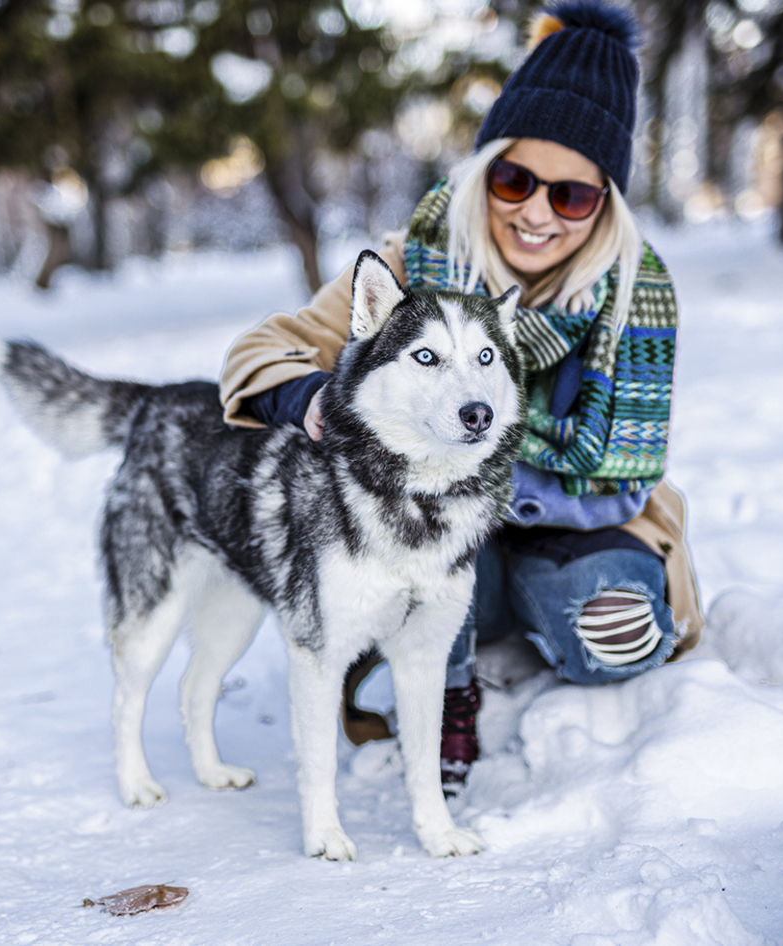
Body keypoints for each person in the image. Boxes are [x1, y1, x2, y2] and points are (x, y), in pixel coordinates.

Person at [217, 0, 703, 795]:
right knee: (435, 568)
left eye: (572, 196)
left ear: (605, 206)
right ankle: (449, 677)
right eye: (517, 179)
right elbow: (261, 352)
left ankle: (526, 623)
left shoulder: (632, 298)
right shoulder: (416, 266)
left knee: (606, 630)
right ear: (487, 169)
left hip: (573, 516)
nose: (537, 213)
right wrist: (313, 400)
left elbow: (622, 465)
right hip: (424, 522)